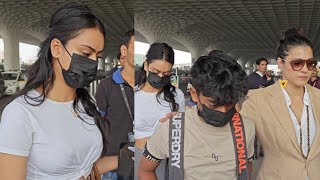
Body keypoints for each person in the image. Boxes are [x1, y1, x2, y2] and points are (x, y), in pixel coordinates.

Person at [0, 3, 117, 179]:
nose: (93, 63)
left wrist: (127, 157)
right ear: (56, 48)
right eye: (86, 54)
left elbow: (86, 168)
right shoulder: (20, 113)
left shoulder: (87, 102)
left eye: (98, 56)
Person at [138, 54, 255, 180]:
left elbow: (246, 167)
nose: (223, 111)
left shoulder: (246, 127)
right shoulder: (172, 129)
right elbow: (145, 170)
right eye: (214, 105)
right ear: (194, 94)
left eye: (230, 104)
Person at [241, 27, 320, 180]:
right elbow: (234, 138)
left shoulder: (318, 97)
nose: (305, 70)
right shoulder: (258, 100)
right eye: (297, 63)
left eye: (310, 64)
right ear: (280, 63)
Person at [134, 43, 185, 180]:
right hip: (139, 156)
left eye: (166, 73)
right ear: (146, 66)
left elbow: (184, 131)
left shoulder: (177, 95)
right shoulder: (133, 94)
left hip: (170, 158)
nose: (161, 77)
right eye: (155, 72)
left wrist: (179, 119)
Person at [95, 29, 135, 180]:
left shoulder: (147, 86)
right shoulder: (106, 86)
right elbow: (98, 127)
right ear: (123, 51)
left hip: (145, 161)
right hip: (114, 165)